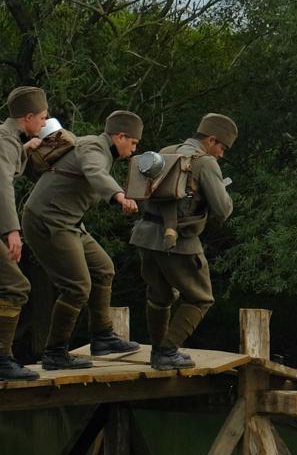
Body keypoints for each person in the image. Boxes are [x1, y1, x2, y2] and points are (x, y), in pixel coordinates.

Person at [21, 110, 144, 370]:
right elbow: (93, 171)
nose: (133, 150)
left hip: (69, 222)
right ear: (119, 136)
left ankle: (102, 337)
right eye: (132, 143)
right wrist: (119, 196)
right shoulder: (94, 147)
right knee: (77, 286)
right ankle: (54, 353)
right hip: (47, 220)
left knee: (103, 269)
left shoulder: (100, 150)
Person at [129, 113, 236, 371]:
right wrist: (222, 190)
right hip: (179, 243)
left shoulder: (165, 151)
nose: (221, 153)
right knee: (201, 298)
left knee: (159, 295)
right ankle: (167, 350)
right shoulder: (205, 163)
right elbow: (222, 210)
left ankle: (158, 351)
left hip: (145, 236)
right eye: (222, 146)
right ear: (211, 140)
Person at [0, 85, 52, 380]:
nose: (44, 124)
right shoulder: (5, 142)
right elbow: (2, 186)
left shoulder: (7, 139)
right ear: (28, 117)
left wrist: (24, 149)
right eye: (42, 118)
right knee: (16, 286)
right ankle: (2, 361)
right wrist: (12, 230)